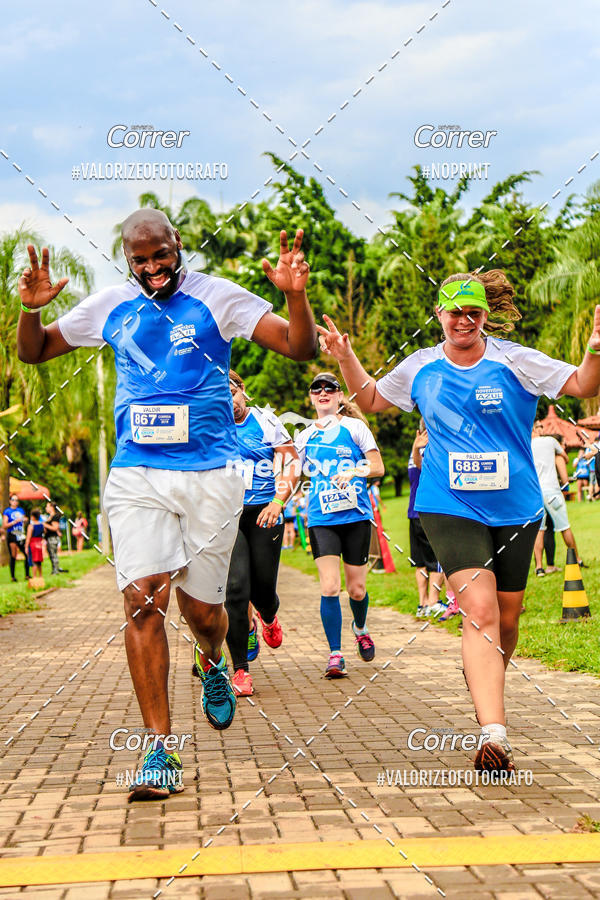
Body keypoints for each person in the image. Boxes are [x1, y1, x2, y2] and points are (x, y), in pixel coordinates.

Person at [16, 210, 316, 801]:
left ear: (179, 246)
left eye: (162, 255)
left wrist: (296, 297)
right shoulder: (110, 306)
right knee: (142, 597)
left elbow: (298, 347)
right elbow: (37, 351)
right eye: (141, 260)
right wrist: (31, 309)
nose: (153, 268)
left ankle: (211, 660)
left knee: (203, 613)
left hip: (210, 475)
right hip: (137, 474)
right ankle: (159, 749)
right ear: (128, 259)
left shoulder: (218, 298)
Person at [317, 270, 600, 772]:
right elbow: (374, 401)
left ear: (485, 316)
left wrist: (595, 348)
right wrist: (345, 357)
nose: (463, 321)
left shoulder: (516, 360)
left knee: (506, 621)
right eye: (454, 312)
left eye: (473, 312)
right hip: (449, 504)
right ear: (439, 315)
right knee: (480, 611)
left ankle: (484, 676)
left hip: (516, 508)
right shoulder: (422, 367)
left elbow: (582, 384)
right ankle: (494, 735)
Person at [294, 372, 385, 677]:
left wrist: (355, 471)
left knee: (356, 590)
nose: (323, 393)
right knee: (330, 586)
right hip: (322, 518)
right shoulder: (305, 435)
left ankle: (360, 627)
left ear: (339, 396)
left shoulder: (355, 427)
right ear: (311, 397)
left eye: (330, 388)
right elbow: (291, 472)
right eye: (316, 389)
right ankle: (335, 654)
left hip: (356, 517)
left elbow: (377, 466)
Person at [220, 369, 300, 696]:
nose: (230, 402)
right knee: (236, 590)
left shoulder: (266, 421)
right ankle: (240, 669)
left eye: (233, 393)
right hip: (228, 516)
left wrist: (279, 502)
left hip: (265, 512)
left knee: (263, 590)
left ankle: (268, 616)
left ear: (244, 392)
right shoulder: (211, 425)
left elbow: (291, 463)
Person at [531, 423, 583, 575]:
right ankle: (577, 559)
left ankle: (539, 567)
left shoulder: (526, 443)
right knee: (564, 526)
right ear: (535, 429)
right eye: (540, 426)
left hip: (535, 492)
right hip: (551, 490)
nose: (543, 428)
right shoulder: (549, 441)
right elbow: (565, 458)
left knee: (539, 531)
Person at [408, 425, 444, 616]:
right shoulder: (429, 450)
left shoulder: (415, 451)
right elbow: (422, 467)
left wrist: (415, 448)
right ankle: (432, 602)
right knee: (436, 560)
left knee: (420, 562)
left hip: (413, 512)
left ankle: (422, 604)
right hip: (429, 512)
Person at [2, 494, 30, 581]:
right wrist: (14, 522)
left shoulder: (20, 510)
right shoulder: (7, 511)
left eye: (17, 500)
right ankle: (13, 576)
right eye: (13, 500)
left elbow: (25, 520)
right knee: (13, 555)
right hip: (12, 534)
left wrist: (25, 520)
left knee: (27, 553)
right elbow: (4, 525)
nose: (15, 502)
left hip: (20, 533)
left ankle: (27, 575)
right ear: (10, 501)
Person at [44, 501, 67, 574]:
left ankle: (56, 570)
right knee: (51, 554)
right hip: (49, 538)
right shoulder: (50, 517)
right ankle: (55, 569)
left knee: (53, 555)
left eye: (47, 506)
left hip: (53, 538)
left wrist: (44, 525)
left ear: (52, 507)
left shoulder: (55, 516)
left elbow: (55, 528)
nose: (46, 508)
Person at [24, 509, 45, 578]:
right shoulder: (41, 525)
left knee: (34, 561)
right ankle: (41, 575)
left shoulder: (31, 526)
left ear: (33, 517)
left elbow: (28, 537)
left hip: (33, 544)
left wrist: (26, 546)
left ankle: (34, 576)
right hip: (39, 543)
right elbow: (44, 532)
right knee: (39, 560)